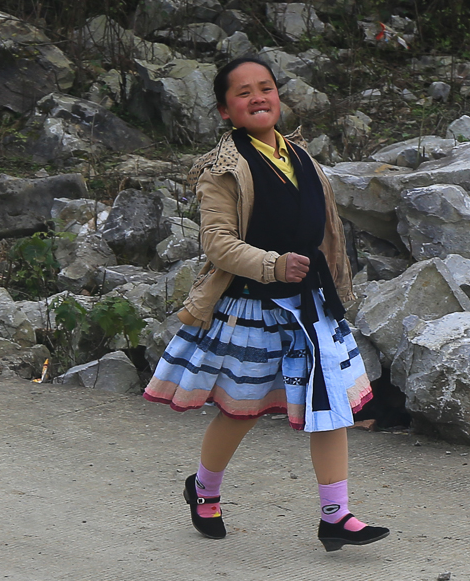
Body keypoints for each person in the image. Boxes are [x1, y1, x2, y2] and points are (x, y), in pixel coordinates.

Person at [142, 56, 388, 552]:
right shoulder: (222, 170)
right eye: (243, 92)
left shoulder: (302, 158)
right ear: (224, 111)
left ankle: (335, 516)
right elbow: (216, 243)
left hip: (310, 306)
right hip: (251, 307)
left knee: (330, 405)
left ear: (279, 97)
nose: (258, 97)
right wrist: (273, 266)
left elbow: (328, 234)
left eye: (266, 88)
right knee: (242, 409)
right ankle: (204, 491)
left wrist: (333, 285)